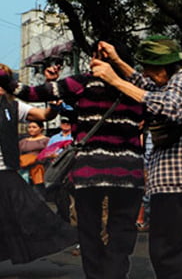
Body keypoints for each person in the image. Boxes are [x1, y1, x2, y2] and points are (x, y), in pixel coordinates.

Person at [0, 49, 148, 279]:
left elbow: (27, 92)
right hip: (128, 173)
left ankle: (97, 275)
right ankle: (115, 273)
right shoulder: (138, 89)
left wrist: (3, 75)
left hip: (90, 172)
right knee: (122, 229)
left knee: (88, 229)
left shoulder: (82, 83)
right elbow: (159, 97)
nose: (90, 62)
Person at [92, 37, 182, 279]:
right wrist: (117, 61)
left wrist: (114, 80)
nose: (146, 74)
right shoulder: (173, 82)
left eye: (150, 68)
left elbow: (169, 107)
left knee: (165, 251)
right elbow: (147, 88)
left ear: (165, 67)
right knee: (178, 244)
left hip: (181, 181)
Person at [0, 64, 75, 265]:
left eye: (4, 82)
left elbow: (45, 115)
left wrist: (51, 86)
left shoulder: (13, 106)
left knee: (29, 213)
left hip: (6, 171)